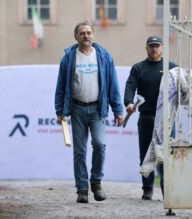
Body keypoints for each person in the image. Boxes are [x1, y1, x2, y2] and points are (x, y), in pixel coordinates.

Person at [54, 21, 125, 203]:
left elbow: (113, 85)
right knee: (79, 151)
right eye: (82, 33)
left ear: (93, 35)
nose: (85, 36)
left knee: (100, 145)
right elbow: (61, 87)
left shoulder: (104, 57)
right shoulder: (69, 58)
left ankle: (96, 182)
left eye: (88, 33)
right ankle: (82, 189)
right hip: (77, 109)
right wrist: (60, 110)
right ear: (76, 37)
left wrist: (118, 110)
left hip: (97, 109)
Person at [124, 36, 178, 200]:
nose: (154, 49)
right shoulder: (138, 68)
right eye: (151, 46)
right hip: (146, 117)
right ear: (146, 48)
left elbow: (181, 86)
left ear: (162, 48)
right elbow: (130, 86)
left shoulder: (172, 67)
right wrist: (128, 102)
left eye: (157, 46)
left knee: (166, 154)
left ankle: (166, 188)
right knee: (146, 153)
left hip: (166, 119)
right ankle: (147, 188)